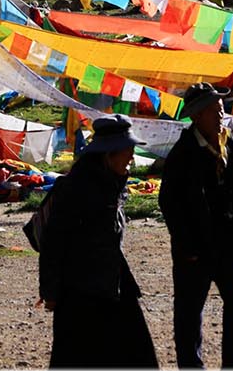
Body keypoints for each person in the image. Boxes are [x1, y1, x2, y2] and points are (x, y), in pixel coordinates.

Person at [158, 81, 233, 369]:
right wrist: (186, 246)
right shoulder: (182, 155)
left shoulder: (226, 141)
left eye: (221, 109)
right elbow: (169, 203)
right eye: (214, 110)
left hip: (228, 241)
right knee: (189, 313)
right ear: (197, 116)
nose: (219, 115)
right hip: (195, 248)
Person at [39, 113, 158, 369]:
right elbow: (53, 240)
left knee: (137, 356)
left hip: (112, 282)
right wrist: (50, 290)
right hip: (79, 291)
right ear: (109, 154)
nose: (131, 157)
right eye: (127, 150)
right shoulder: (77, 189)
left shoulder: (113, 183)